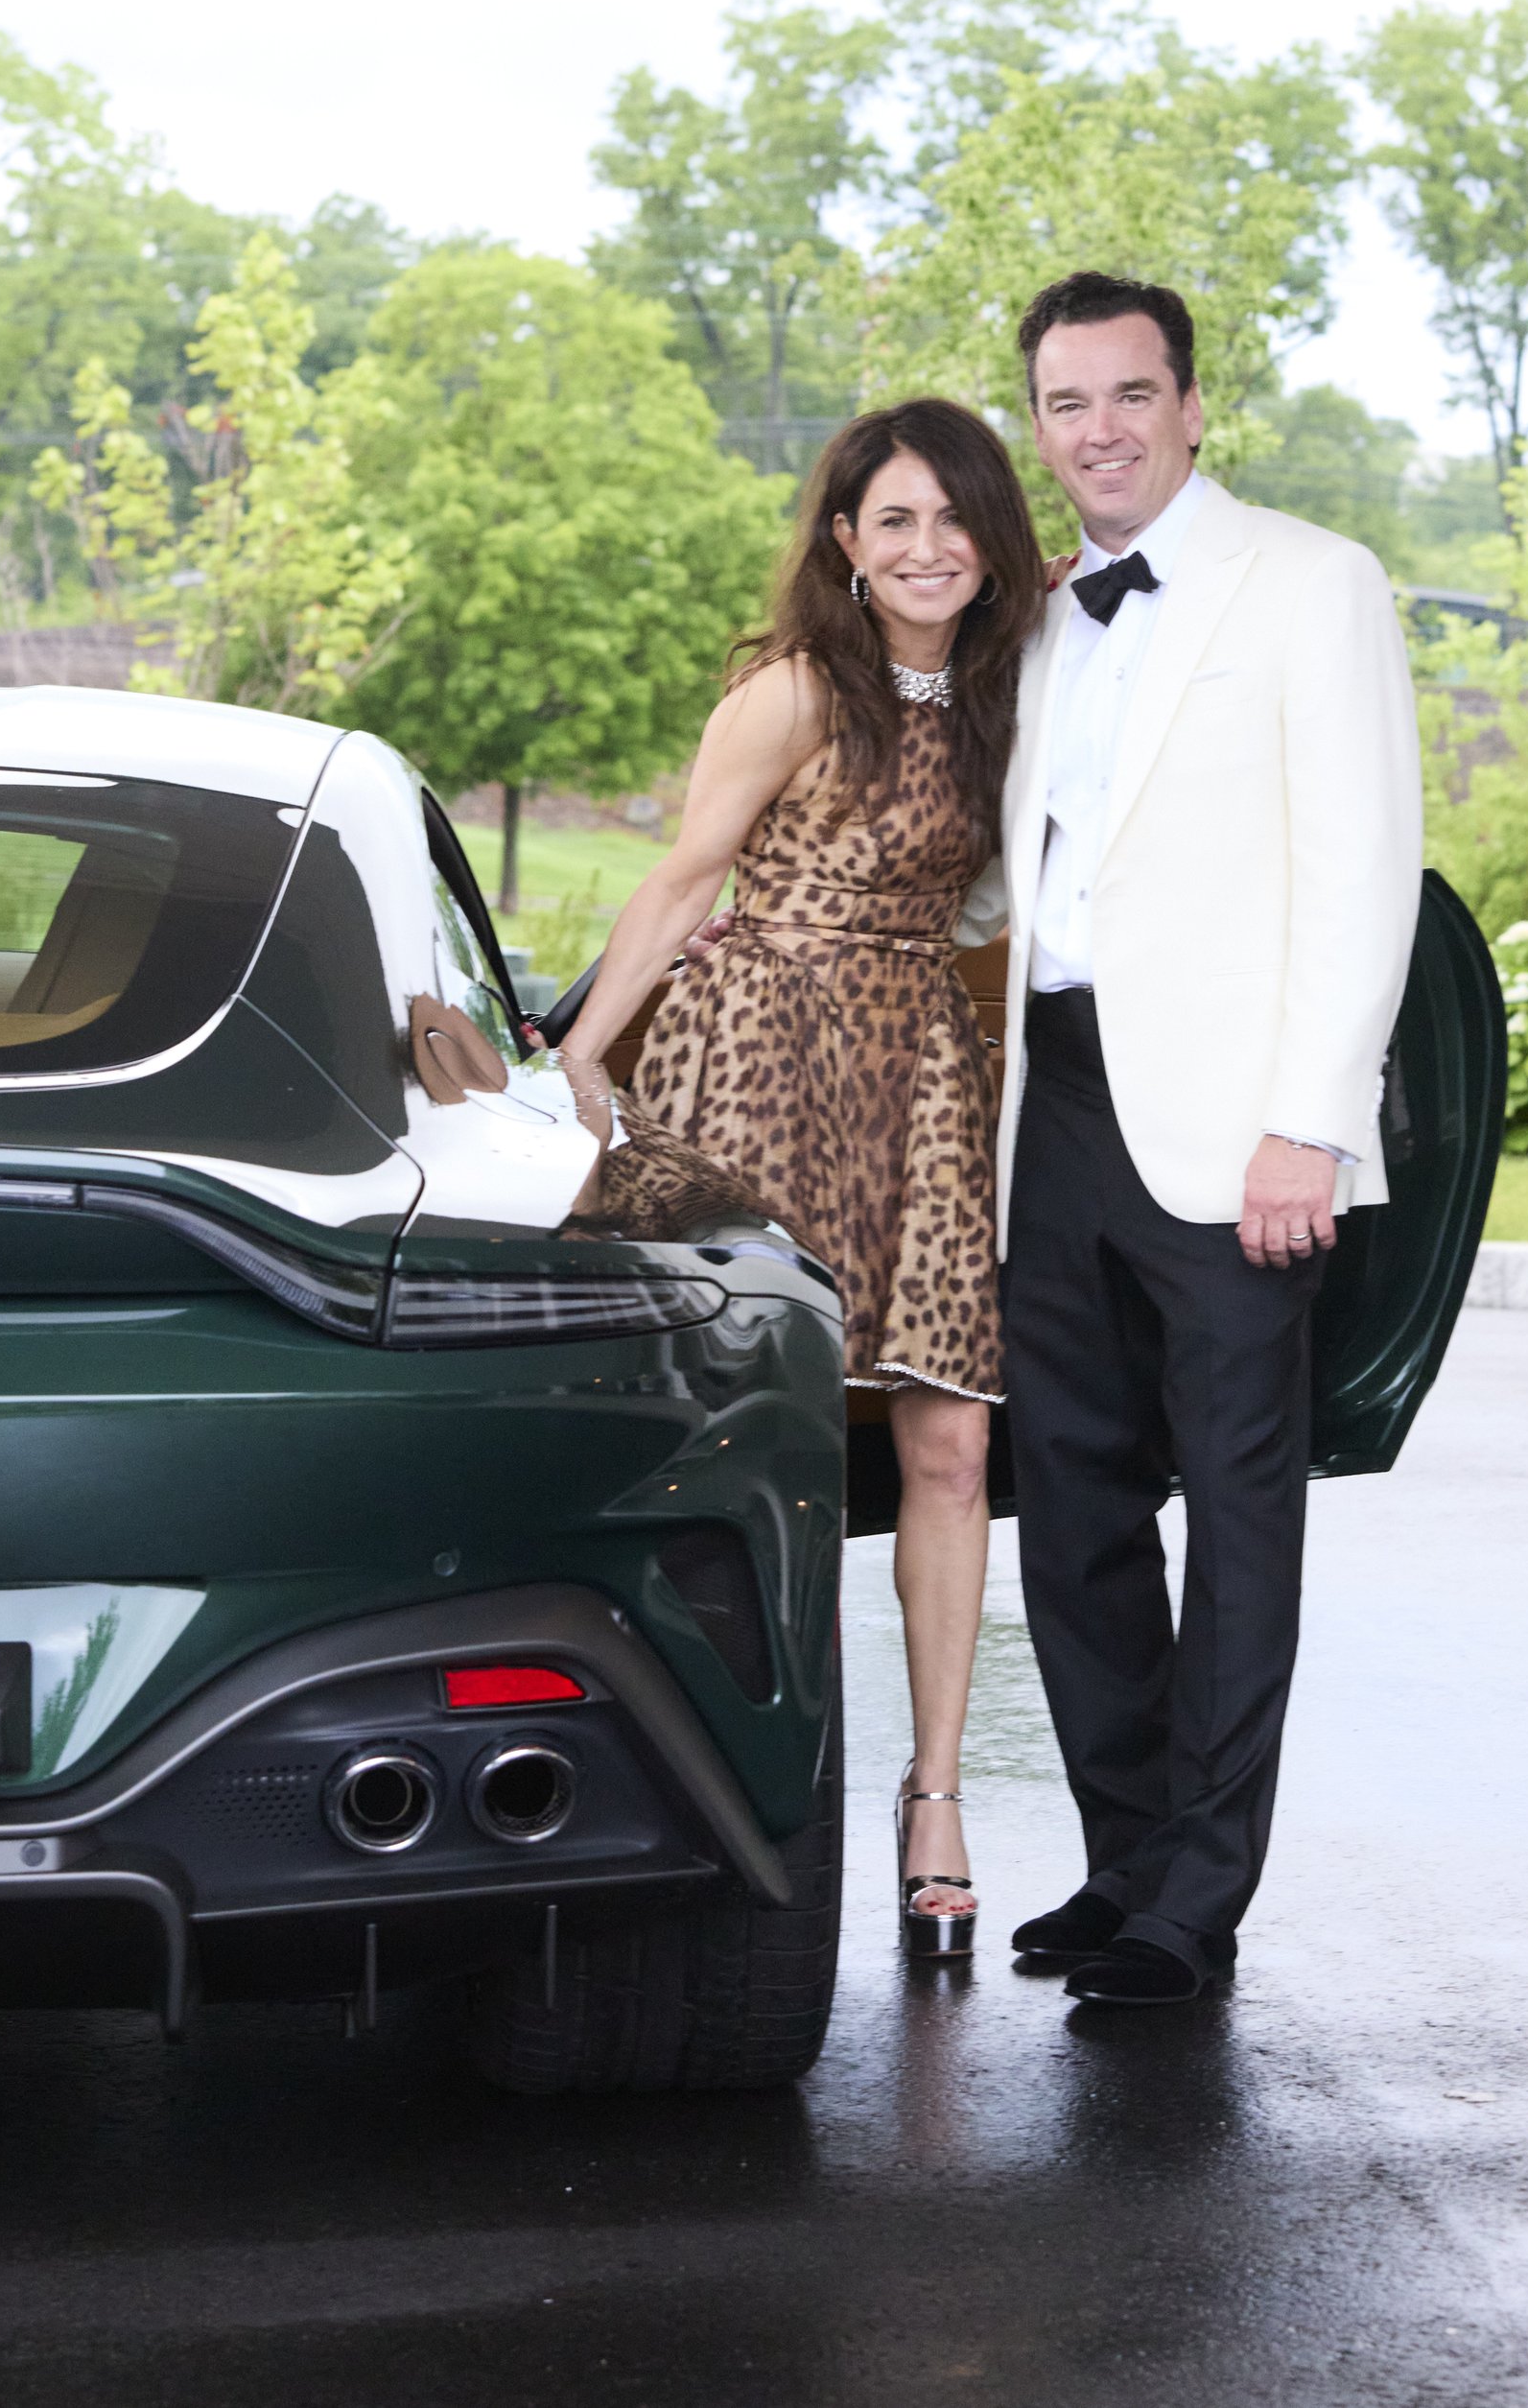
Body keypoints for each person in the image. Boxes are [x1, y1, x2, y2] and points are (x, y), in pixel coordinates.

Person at [551, 397, 1046, 1960]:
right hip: (757, 1042)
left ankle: (938, 1796)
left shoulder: (1006, 694)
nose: (925, 547)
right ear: (844, 539)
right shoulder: (790, 688)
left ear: (992, 537)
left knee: (951, 1443)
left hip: (917, 1067)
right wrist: (578, 1059)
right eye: (892, 520)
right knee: (737, 1438)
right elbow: (689, 871)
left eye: (953, 517)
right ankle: (725, 1780)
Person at [992, 270, 1422, 2009]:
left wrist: (1307, 1125)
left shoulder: (1312, 585)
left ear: (1190, 404)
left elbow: (1362, 864)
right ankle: (1123, 1862)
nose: (1098, 431)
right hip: (1058, 1105)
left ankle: (1203, 1899)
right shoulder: (1036, 611)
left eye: (1128, 395)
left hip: (1239, 1134)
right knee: (1071, 1513)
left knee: (1240, 1524)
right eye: (1066, 405)